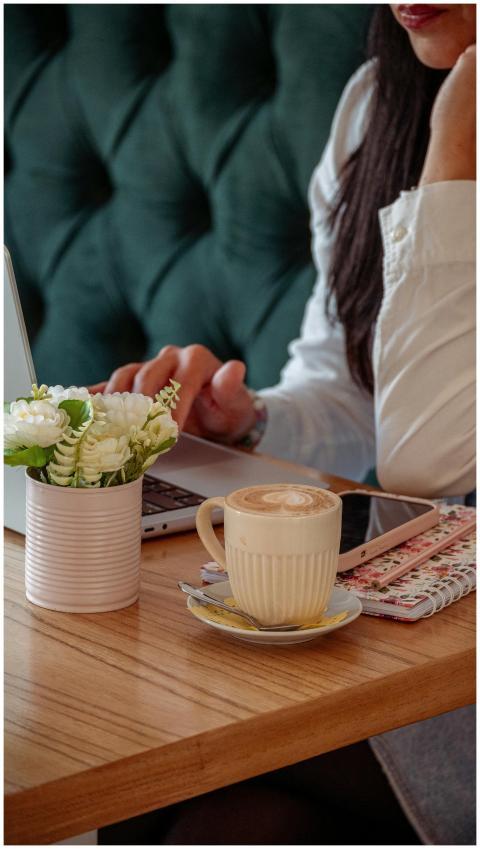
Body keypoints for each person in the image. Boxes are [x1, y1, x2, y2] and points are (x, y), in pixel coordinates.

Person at [98, 4, 476, 845]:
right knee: (195, 807)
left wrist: (456, 147)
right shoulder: (380, 101)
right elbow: (352, 390)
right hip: (419, 627)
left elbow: (422, 463)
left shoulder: (452, 112)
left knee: (180, 766)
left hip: (458, 676)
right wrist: (251, 421)